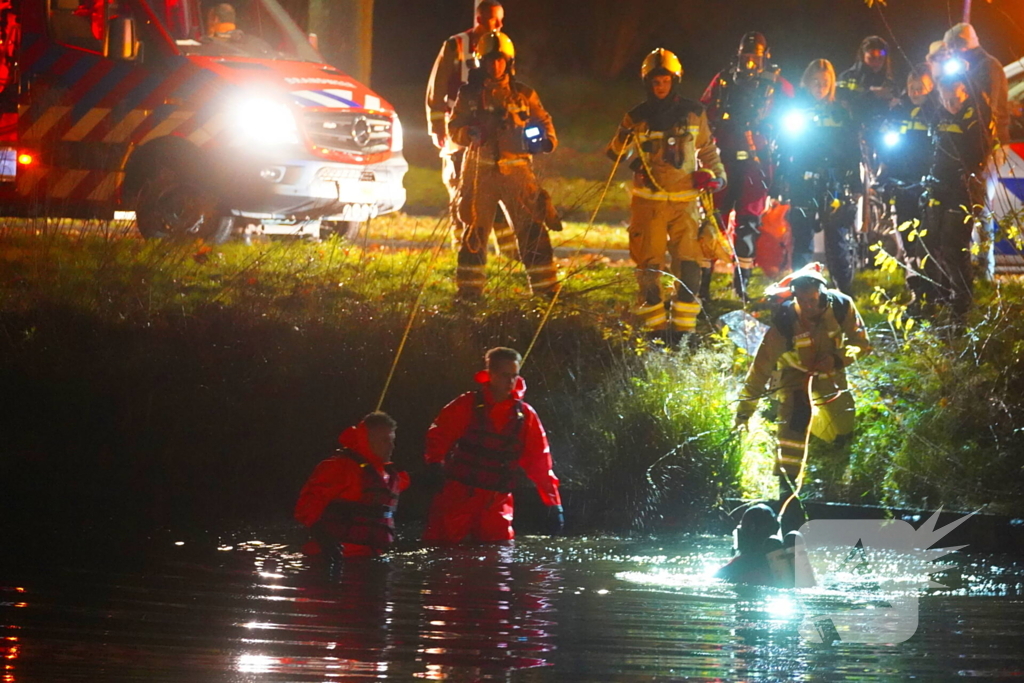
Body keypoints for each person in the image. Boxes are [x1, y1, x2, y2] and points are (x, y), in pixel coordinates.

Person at [607, 48, 727, 341]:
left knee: (689, 266)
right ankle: (656, 335)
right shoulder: (636, 116)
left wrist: (718, 177)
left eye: (665, 80)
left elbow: (707, 149)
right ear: (647, 83)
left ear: (675, 80)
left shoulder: (694, 113)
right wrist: (627, 144)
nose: (660, 86)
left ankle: (684, 335)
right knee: (649, 269)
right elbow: (614, 153)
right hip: (649, 205)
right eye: (655, 81)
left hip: (685, 204)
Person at [735, 264, 871, 514]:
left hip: (831, 374)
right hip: (794, 377)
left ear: (822, 294)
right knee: (792, 426)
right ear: (794, 297)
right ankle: (786, 492)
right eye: (802, 300)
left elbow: (861, 344)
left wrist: (838, 359)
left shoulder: (842, 307)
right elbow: (759, 370)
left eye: (812, 299)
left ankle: (837, 478)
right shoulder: (785, 322)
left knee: (844, 425)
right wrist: (744, 412)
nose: (808, 306)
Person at [447, 31, 560, 299]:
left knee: (533, 232)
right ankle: (469, 295)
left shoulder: (524, 95)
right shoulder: (469, 95)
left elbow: (545, 124)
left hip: (518, 174)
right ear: (481, 63)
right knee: (474, 235)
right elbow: (454, 128)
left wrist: (545, 142)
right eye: (490, 60)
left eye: (500, 60)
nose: (495, 66)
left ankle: (546, 295)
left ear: (508, 62)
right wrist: (470, 133)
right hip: (479, 174)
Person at [422, 347, 563, 543]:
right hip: (459, 496)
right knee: (444, 552)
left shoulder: (525, 416)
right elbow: (439, 434)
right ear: (490, 375)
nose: (510, 382)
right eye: (505, 375)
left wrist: (553, 503)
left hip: (496, 502)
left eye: (514, 375)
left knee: (497, 554)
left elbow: (540, 461)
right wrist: (435, 463)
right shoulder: (467, 404)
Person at [702, 32, 794, 300]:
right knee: (712, 220)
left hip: (758, 160)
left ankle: (740, 286)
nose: (750, 63)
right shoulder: (723, 80)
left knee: (748, 223)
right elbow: (704, 110)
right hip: (723, 157)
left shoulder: (778, 85)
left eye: (755, 57)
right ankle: (703, 284)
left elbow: (793, 116)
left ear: (766, 56)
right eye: (746, 57)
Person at [425, 0, 518, 257]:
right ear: (479, 18)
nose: (499, 25)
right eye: (493, 19)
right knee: (460, 190)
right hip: (458, 131)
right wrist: (437, 128)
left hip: (490, 132)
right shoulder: (456, 45)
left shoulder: (501, 46)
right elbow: (437, 88)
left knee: (495, 189)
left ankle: (509, 255)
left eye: (501, 19)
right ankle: (463, 250)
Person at [775, 59, 861, 294]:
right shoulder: (795, 111)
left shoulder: (841, 112)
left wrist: (856, 184)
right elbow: (784, 149)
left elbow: (853, 151)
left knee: (837, 241)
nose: (820, 86)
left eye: (825, 82)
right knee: (802, 239)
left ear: (832, 83)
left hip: (834, 183)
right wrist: (780, 183)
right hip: (803, 180)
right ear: (806, 82)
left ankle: (843, 291)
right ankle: (803, 291)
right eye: (815, 81)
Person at [294, 412, 410, 569]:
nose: (391, 446)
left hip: (370, 559)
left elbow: (390, 491)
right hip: (331, 558)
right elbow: (305, 507)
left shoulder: (386, 474)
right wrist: (323, 538)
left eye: (392, 441)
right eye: (385, 441)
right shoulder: (338, 467)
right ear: (368, 440)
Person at [918, 74, 990, 318]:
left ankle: (962, 304)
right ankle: (940, 297)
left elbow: (977, 150)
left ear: (966, 94)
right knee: (933, 242)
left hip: (963, 188)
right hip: (938, 187)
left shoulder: (974, 116)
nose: (951, 104)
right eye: (946, 99)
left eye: (955, 99)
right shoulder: (937, 114)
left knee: (954, 246)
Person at [943, 22, 1009, 281]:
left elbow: (987, 110)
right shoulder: (974, 66)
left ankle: (984, 271)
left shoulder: (987, 67)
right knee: (968, 205)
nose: (950, 54)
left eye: (951, 48)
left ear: (960, 44)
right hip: (973, 146)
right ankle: (969, 267)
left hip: (986, 147)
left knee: (980, 207)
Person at [877, 66, 939, 304]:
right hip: (902, 184)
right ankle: (916, 290)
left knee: (929, 242)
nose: (915, 92)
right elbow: (888, 148)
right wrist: (885, 177)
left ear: (930, 87)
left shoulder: (936, 112)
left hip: (926, 185)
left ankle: (934, 291)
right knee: (908, 240)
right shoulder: (899, 110)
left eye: (920, 88)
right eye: (911, 88)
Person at [836, 35, 896, 128]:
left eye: (880, 59)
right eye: (871, 58)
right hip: (850, 129)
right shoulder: (847, 77)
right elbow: (841, 104)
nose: (876, 63)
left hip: (878, 132)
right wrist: (871, 94)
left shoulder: (888, 82)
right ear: (863, 56)